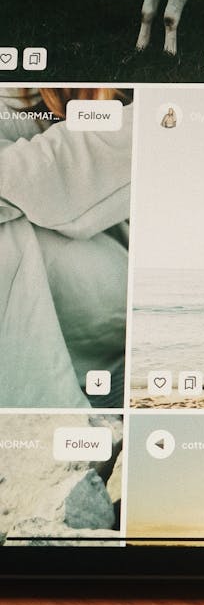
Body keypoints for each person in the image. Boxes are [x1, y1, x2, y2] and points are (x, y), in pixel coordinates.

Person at [0, 86, 132, 409]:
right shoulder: (22, 92)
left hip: (129, 278)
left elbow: (56, 171)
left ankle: (51, 428)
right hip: (81, 287)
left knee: (7, 239)